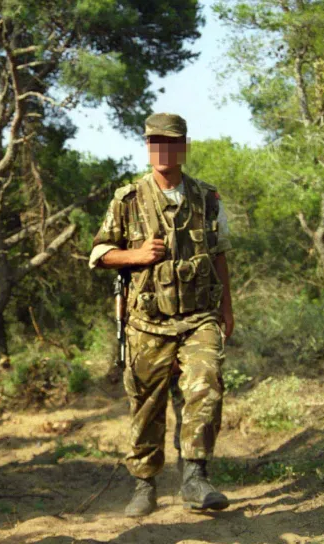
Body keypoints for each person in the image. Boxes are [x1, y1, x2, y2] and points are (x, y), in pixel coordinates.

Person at [88, 113, 235, 517]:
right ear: (147, 146)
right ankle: (144, 483)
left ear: (183, 147)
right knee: (146, 405)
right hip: (148, 322)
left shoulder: (207, 199)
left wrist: (227, 308)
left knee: (205, 383)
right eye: (155, 142)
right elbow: (99, 254)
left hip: (199, 317)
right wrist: (135, 256)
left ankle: (195, 476)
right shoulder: (128, 199)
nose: (162, 150)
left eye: (170, 142)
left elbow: (220, 255)